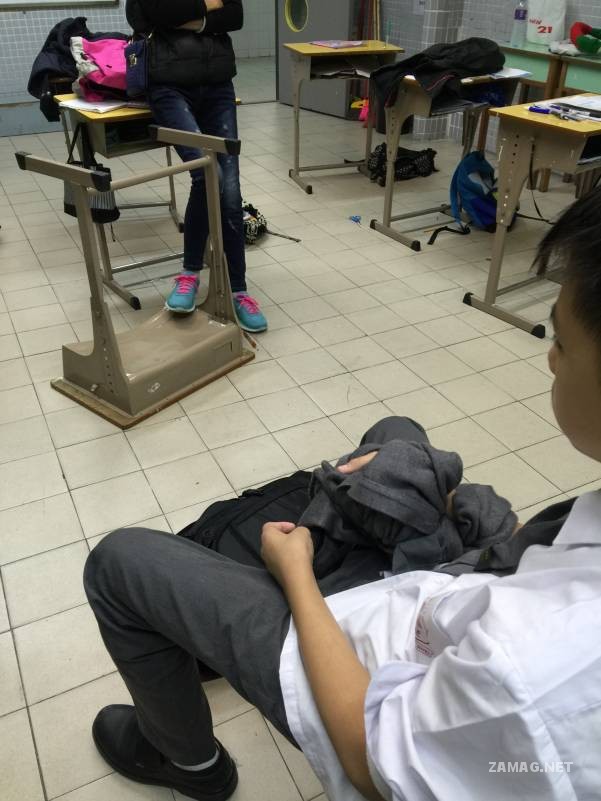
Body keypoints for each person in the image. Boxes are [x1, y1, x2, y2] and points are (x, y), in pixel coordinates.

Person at [84, 188, 601, 801]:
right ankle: (351, 542)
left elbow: (373, 759)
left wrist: (297, 578)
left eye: (562, 342)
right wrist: (450, 501)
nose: (550, 360)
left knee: (119, 562)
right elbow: (525, 562)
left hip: (366, 678)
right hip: (444, 595)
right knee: (397, 433)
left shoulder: (545, 666)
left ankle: (191, 765)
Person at [125, 0, 267, 332]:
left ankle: (238, 289)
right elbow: (158, 12)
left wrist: (186, 17)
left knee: (230, 190)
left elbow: (235, 16)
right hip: (169, 85)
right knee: (207, 172)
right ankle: (190, 273)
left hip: (217, 83)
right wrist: (208, 6)